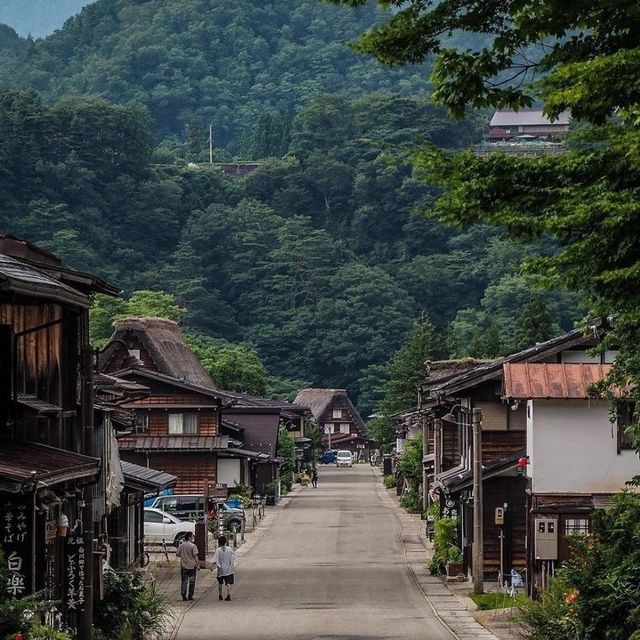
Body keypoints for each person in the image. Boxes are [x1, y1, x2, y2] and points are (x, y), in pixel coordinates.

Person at [176, 531, 199, 601]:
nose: (193, 538)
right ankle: (190, 595)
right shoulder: (193, 546)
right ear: (189, 538)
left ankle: (183, 594)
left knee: (184, 581)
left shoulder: (181, 545)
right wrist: (198, 565)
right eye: (192, 536)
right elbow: (196, 556)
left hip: (183, 566)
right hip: (192, 566)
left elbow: (177, 554)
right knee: (192, 582)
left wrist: (183, 556)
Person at [212, 535, 236, 601]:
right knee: (228, 583)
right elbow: (233, 558)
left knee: (220, 583)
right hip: (229, 569)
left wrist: (217, 566)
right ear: (225, 542)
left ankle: (220, 594)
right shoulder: (229, 549)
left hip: (221, 570)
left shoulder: (218, 550)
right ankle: (228, 594)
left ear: (219, 542)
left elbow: (215, 560)